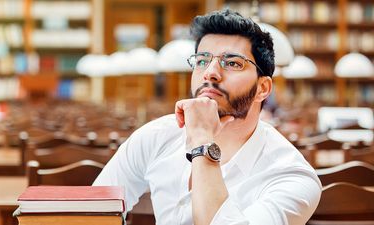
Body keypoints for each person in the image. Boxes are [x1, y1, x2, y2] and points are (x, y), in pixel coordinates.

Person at [94, 9, 321, 225]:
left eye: (232, 63)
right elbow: (92, 212)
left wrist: (202, 141)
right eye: (202, 60)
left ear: (262, 88)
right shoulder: (155, 136)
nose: (210, 72)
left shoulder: (293, 177)